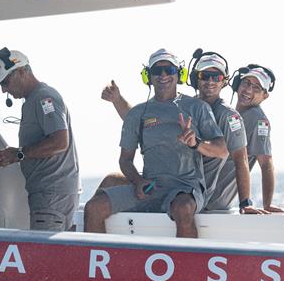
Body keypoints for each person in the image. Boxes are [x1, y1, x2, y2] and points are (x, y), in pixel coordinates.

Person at [84, 48, 228, 238]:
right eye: (156, 71)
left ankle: (186, 266)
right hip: (150, 187)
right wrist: (138, 181)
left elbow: (222, 150)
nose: (163, 76)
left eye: (169, 70)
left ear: (179, 75)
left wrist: (196, 143)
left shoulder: (198, 107)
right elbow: (125, 160)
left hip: (186, 187)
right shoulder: (137, 113)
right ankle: (96, 264)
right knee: (93, 208)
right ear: (148, 77)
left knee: (183, 208)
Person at [100, 50, 265, 214]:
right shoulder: (187, 106)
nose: (210, 81)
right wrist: (117, 100)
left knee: (181, 206)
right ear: (194, 79)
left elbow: (240, 159)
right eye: (204, 76)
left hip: (195, 191)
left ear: (225, 81)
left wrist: (245, 202)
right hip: (168, 183)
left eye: (216, 77)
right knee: (110, 181)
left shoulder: (229, 116)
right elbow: (141, 123)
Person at [0, 48, 79, 232]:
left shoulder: (44, 98)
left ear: (22, 72)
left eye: (5, 82)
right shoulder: (36, 99)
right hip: (51, 195)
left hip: (51, 196)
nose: (4, 89)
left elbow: (60, 142)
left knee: (46, 258)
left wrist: (19, 154)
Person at [227, 64, 283, 213]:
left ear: (265, 96)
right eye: (246, 83)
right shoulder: (230, 114)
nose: (248, 90)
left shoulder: (258, 120)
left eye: (257, 88)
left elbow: (266, 163)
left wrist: (267, 204)